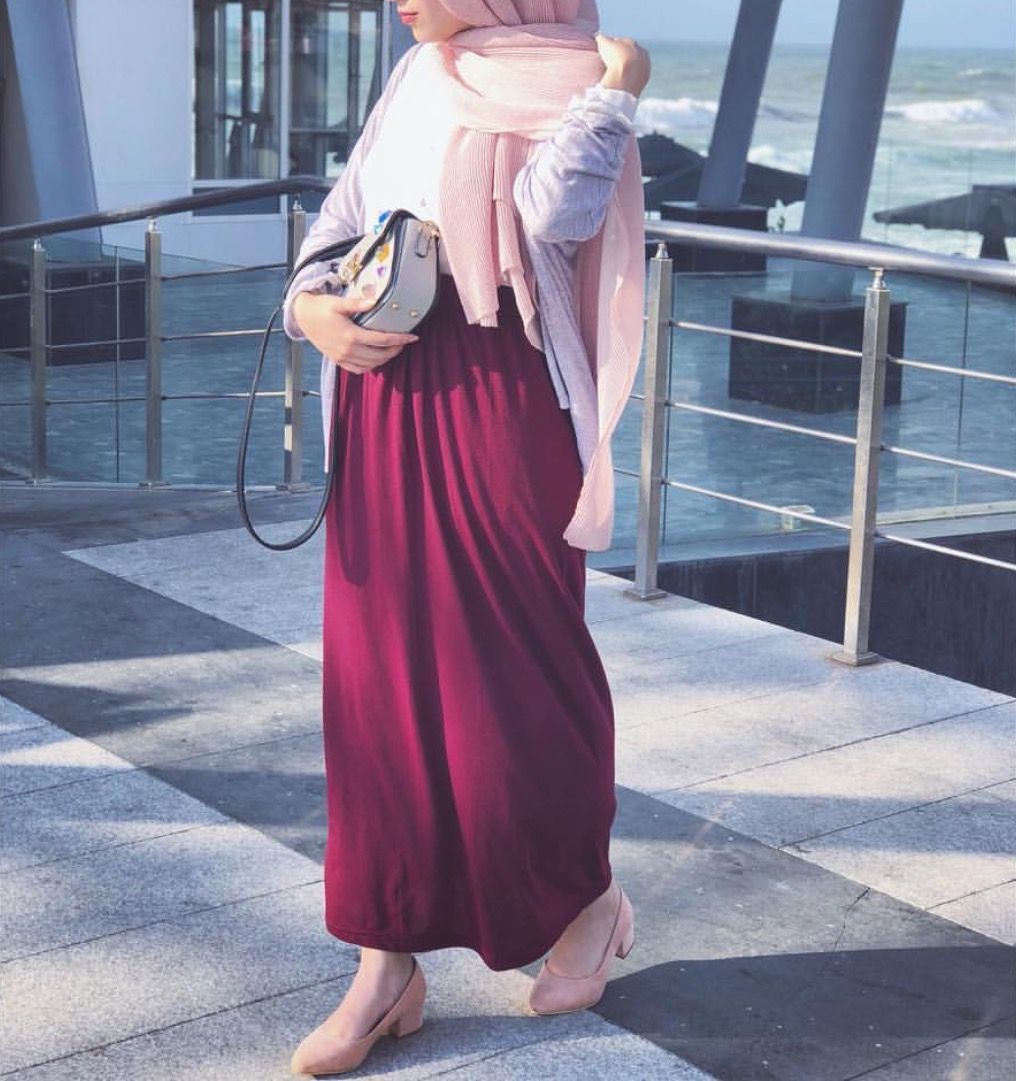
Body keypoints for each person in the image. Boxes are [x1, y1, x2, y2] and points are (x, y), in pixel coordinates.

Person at [282, 1, 650, 1074]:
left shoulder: (578, 70)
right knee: (378, 678)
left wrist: (612, 99)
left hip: (508, 396)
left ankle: (586, 899)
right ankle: (383, 957)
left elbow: (552, 219)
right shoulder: (418, 76)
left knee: (527, 671)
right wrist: (312, 308)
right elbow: (343, 217)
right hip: (386, 396)